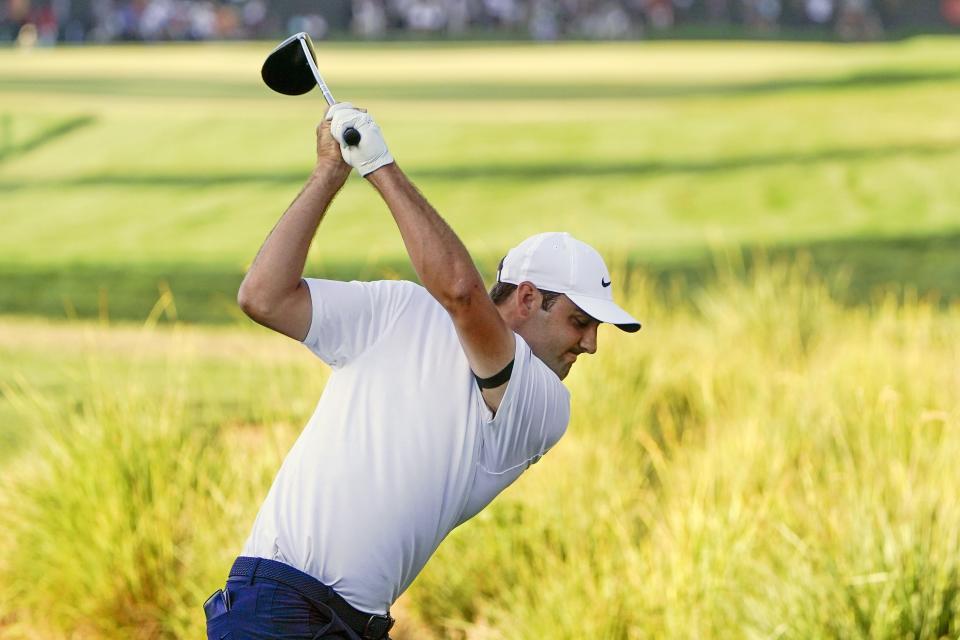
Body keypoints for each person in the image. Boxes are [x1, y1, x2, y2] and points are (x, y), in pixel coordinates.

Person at [203, 103, 641, 640]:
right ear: (528, 298)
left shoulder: (544, 404)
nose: (592, 345)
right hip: (276, 603)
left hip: (353, 624)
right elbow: (264, 297)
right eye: (581, 322)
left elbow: (461, 293)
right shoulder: (400, 308)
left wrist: (380, 165)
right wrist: (329, 174)